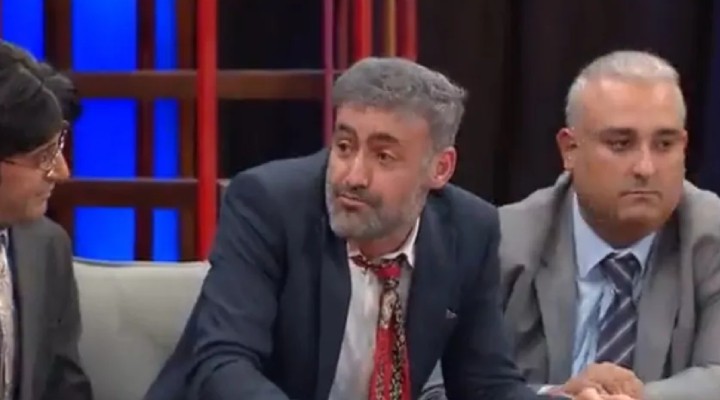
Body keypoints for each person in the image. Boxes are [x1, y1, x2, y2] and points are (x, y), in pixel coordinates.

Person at [144, 57, 586, 400]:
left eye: (383, 156)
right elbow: (224, 365)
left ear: (440, 168)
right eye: (344, 145)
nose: (352, 175)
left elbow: (485, 385)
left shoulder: (468, 230)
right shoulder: (269, 205)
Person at [500, 50, 720, 400]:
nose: (645, 167)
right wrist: (555, 397)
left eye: (664, 144)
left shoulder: (712, 235)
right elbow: (448, 384)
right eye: (621, 144)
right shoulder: (502, 242)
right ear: (570, 149)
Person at [0, 40, 93, 399]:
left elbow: (65, 388)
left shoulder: (46, 247)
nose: (61, 172)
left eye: (59, 147)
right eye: (43, 156)